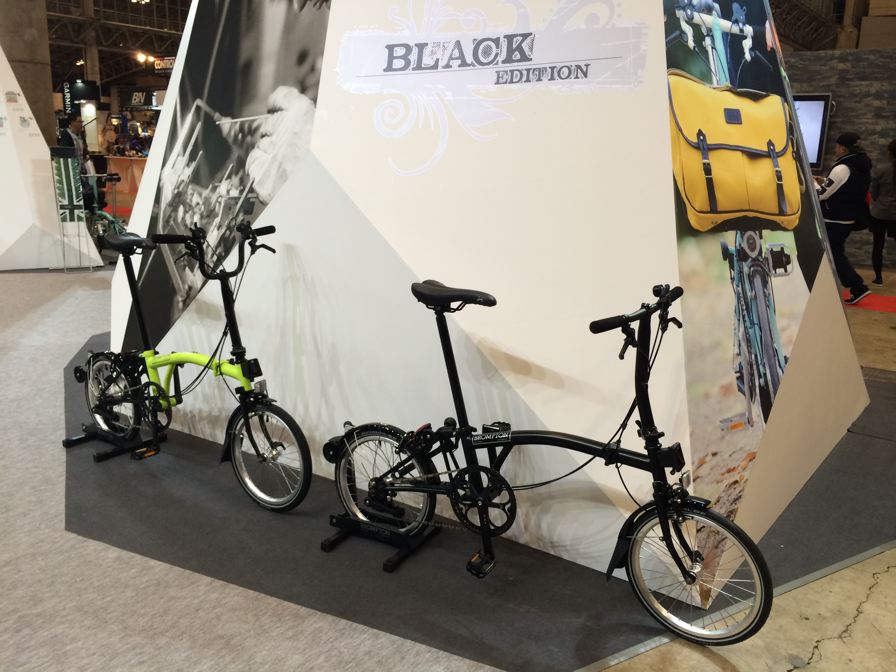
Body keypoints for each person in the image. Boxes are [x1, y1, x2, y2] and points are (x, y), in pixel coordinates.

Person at [815, 131, 873, 305]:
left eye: (837, 146)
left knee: (834, 253)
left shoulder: (842, 168)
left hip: (834, 218)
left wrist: (813, 185)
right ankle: (845, 286)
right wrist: (825, 180)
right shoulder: (861, 165)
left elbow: (821, 195)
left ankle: (857, 286)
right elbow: (847, 186)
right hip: (848, 217)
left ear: (843, 148)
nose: (835, 149)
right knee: (834, 252)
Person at [869, 139, 896, 286]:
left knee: (878, 246)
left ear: (889, 152)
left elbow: (873, 192)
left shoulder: (881, 170)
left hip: (879, 212)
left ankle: (878, 278)